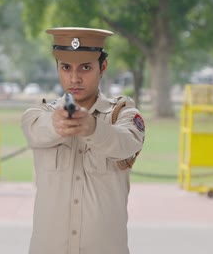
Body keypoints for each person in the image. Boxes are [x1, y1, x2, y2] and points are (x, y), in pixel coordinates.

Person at [21, 27, 145, 254]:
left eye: (85, 67)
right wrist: (57, 123)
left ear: (103, 67)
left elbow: (127, 143)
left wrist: (93, 127)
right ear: (57, 67)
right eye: (66, 67)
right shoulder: (40, 114)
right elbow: (36, 130)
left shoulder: (123, 114)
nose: (74, 78)